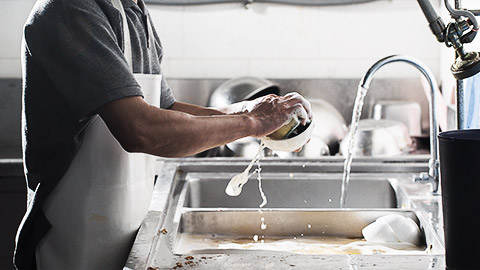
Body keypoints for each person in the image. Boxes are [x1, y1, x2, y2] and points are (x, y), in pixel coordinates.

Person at [14, 0, 312, 269]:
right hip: (72, 241)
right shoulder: (71, 9)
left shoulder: (132, 9)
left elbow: (165, 109)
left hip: (127, 232)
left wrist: (249, 111)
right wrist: (253, 124)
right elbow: (141, 130)